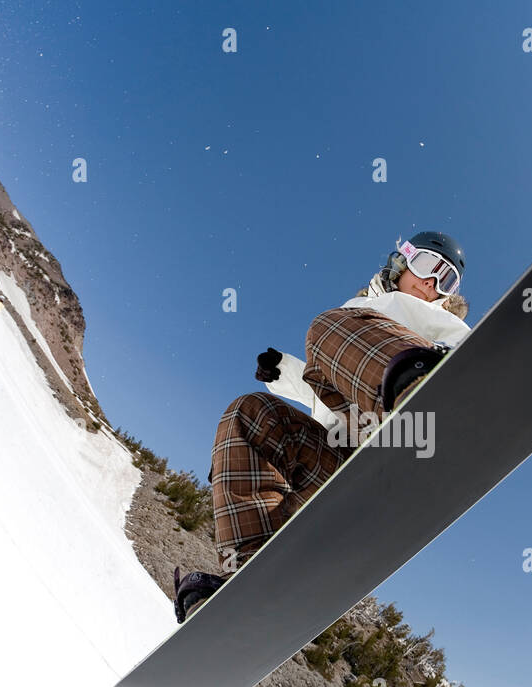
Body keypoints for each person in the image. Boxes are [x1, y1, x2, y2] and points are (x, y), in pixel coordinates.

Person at [170, 232, 470, 624]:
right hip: (347, 469)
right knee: (248, 413)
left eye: (446, 280)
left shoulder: (439, 324)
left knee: (326, 327)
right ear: (402, 262)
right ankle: (253, 574)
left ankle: (421, 389)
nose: (432, 283)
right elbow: (324, 397)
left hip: (411, 445)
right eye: (429, 267)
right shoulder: (360, 315)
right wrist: (283, 373)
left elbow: (470, 357)